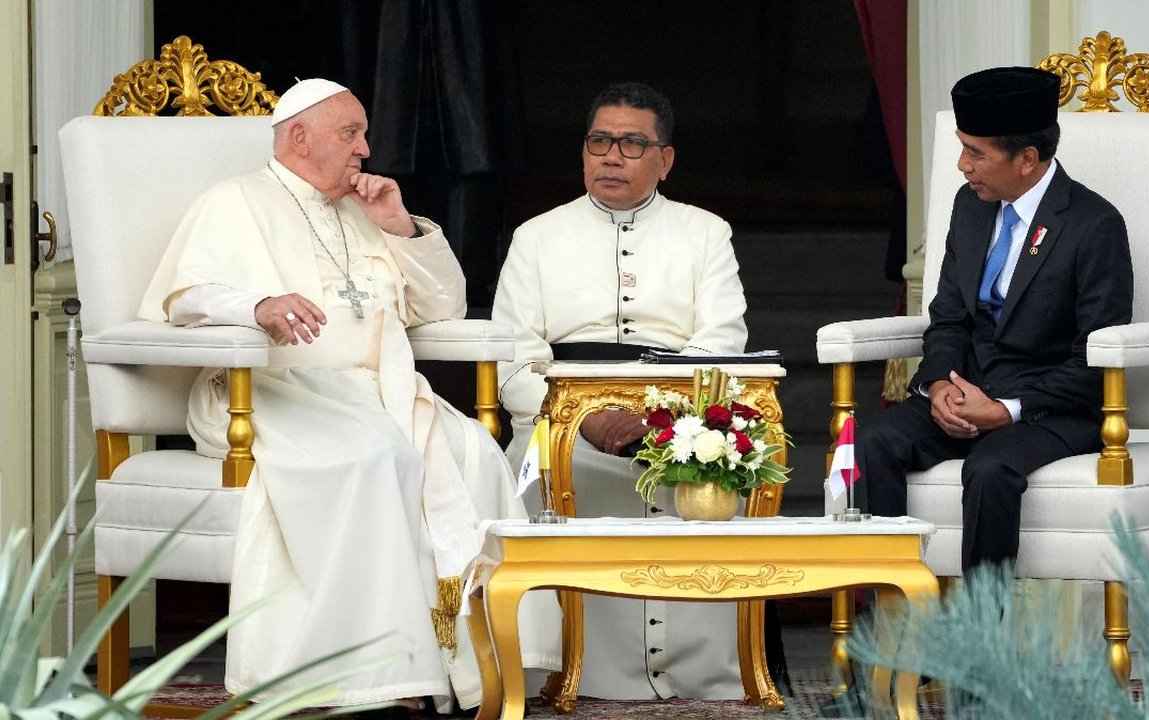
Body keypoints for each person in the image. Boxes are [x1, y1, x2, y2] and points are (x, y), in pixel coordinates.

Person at [138, 79, 559, 712]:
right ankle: (368, 682)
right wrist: (257, 305)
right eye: (350, 134)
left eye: (363, 135)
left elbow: (440, 307)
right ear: (297, 137)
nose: (365, 149)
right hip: (267, 393)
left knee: (474, 451)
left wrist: (398, 225)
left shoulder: (364, 212)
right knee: (370, 459)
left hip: (377, 391)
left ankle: (479, 667)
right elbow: (187, 296)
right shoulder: (235, 202)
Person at [490, 82, 749, 699]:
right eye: (600, 141)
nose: (612, 156)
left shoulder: (706, 232)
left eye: (632, 144)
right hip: (560, 420)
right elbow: (513, 362)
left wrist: (662, 417)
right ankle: (562, 670)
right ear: (583, 152)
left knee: (709, 473)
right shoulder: (536, 236)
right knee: (531, 476)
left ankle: (695, 672)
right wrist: (583, 418)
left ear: (665, 160)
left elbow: (721, 341)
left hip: (677, 415)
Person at [855, 66, 1134, 572]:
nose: (962, 165)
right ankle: (887, 626)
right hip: (968, 391)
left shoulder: (1094, 225)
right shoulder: (972, 206)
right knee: (874, 442)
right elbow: (948, 319)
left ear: (1027, 158)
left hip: (1051, 409)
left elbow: (1093, 359)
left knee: (990, 466)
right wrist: (939, 384)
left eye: (976, 152)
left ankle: (980, 641)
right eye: (962, 148)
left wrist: (1007, 409)